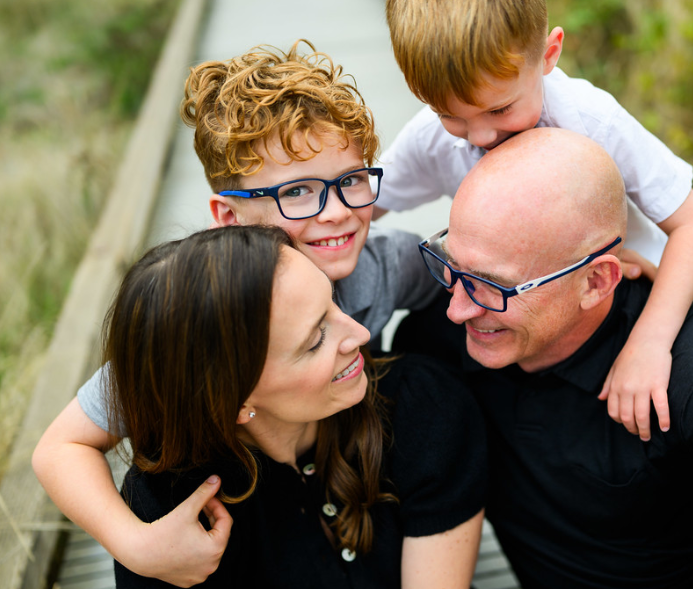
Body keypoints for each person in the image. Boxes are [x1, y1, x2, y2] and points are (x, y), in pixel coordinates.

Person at [32, 42, 444, 586]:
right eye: (297, 191)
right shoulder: (201, 316)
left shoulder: (382, 265)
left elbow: (476, 274)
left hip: (346, 467)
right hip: (239, 497)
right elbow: (61, 446)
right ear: (229, 216)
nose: (339, 211)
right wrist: (137, 546)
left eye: (350, 180)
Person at [401, 127, 693, 588]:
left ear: (596, 281)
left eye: (493, 286)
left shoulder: (689, 361)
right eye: (451, 265)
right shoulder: (439, 341)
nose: (457, 307)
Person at [376, 0, 693, 442]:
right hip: (519, 313)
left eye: (499, 110)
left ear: (549, 54)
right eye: (450, 116)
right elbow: (360, 205)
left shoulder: (595, 120)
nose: (480, 137)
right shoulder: (429, 137)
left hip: (623, 305)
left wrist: (650, 343)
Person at [102, 225, 486, 587]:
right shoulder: (169, 516)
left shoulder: (425, 407)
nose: (361, 334)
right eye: (316, 339)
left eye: (334, 302)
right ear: (233, 400)